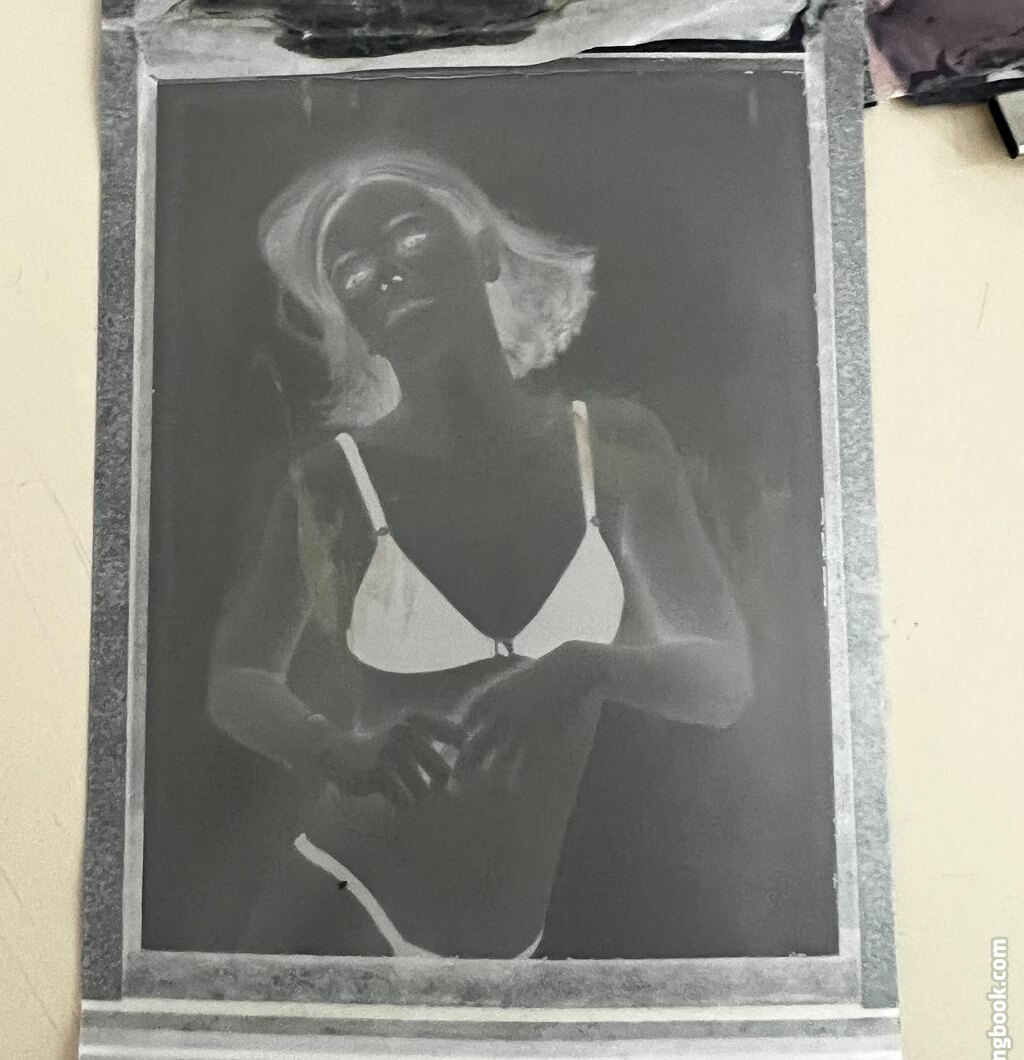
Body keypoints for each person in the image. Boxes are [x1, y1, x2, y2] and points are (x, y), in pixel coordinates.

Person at [208, 148, 752, 959]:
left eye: (410, 238)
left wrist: (587, 667)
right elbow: (237, 679)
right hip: (340, 902)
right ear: (354, 326)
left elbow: (726, 683)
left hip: (515, 947)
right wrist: (335, 752)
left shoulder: (616, 444)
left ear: (486, 253)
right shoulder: (331, 482)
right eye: (354, 274)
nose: (387, 275)